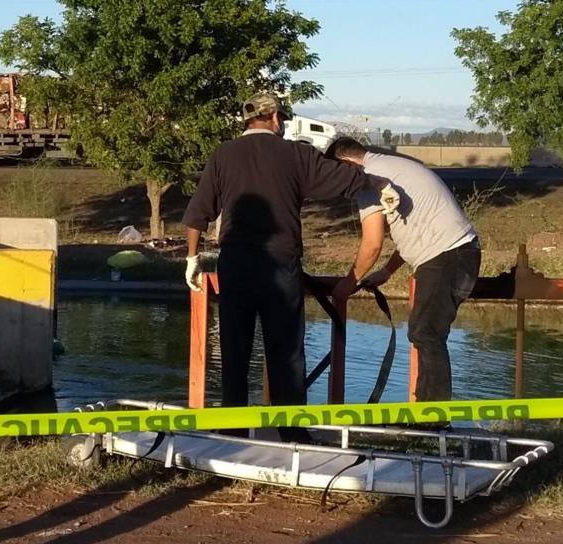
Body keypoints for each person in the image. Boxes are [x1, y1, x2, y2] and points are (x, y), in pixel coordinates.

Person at [182, 93, 390, 440]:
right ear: (275, 118)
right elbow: (345, 179)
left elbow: (198, 212)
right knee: (287, 351)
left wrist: (191, 259)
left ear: (247, 121)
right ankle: (292, 432)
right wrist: (379, 182)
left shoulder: (223, 154)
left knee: (235, 347)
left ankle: (232, 429)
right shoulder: (295, 153)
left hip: (236, 264)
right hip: (281, 266)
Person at [326, 137, 480, 402]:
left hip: (445, 255)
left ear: (346, 163)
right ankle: (426, 415)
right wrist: (387, 271)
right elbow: (414, 229)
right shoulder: (392, 166)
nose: (341, 182)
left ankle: (433, 418)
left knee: (425, 332)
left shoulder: (367, 179)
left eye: (338, 173)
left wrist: (348, 283)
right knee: (426, 332)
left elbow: (372, 244)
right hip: (457, 252)